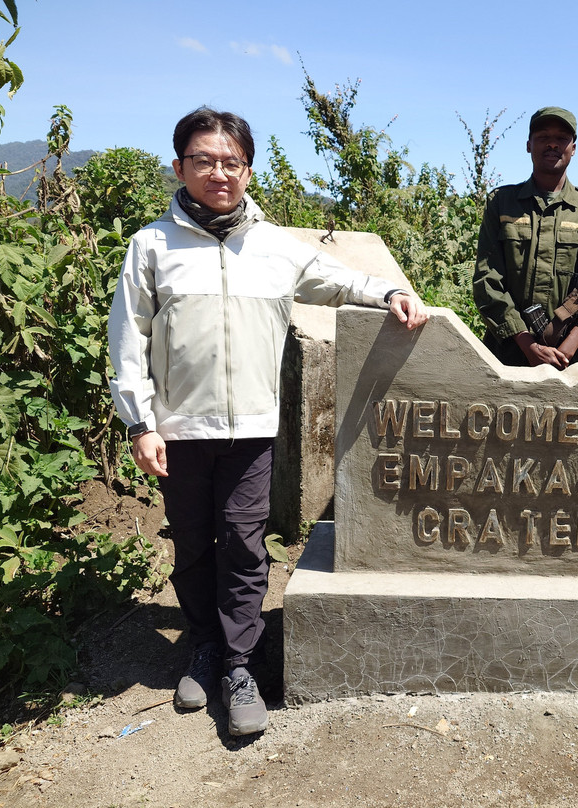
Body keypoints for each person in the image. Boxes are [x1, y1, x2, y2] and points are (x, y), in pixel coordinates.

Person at [108, 107, 428, 735]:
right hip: (179, 429)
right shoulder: (152, 246)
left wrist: (388, 292)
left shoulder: (276, 246)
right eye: (203, 160)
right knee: (195, 546)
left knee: (246, 546)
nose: (217, 172)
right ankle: (202, 646)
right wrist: (140, 422)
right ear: (179, 167)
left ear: (247, 169)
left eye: (230, 161)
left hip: (254, 427)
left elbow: (336, 281)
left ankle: (237, 663)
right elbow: (128, 340)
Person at [473, 106, 578, 368]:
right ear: (528, 145)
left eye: (562, 138)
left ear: (573, 148)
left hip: (569, 361)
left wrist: (567, 349)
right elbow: (487, 280)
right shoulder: (502, 203)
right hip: (505, 354)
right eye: (542, 137)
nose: (552, 143)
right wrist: (528, 345)